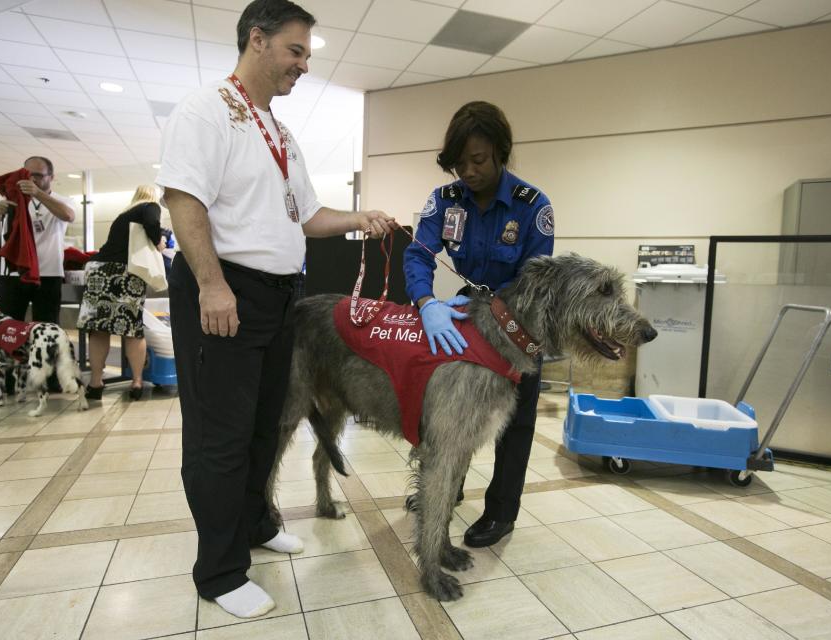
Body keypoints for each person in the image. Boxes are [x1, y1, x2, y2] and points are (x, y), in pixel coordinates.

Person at [155, 0, 396, 620]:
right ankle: (219, 570)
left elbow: (307, 216)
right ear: (256, 40)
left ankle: (258, 523)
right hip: (225, 293)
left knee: (268, 424)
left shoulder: (277, 130)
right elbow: (185, 203)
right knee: (221, 435)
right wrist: (211, 285)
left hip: (279, 298)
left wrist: (359, 218)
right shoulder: (205, 112)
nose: (303, 66)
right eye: (296, 52)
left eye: (307, 56)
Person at [403, 101, 555, 548]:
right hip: (467, 318)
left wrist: (496, 319)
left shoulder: (532, 206)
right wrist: (427, 301)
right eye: (459, 163)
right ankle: (446, 489)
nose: (467, 171)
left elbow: (534, 282)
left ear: (501, 152)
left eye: (478, 160)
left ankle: (501, 512)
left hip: (518, 327)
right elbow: (419, 254)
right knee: (454, 412)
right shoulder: (445, 200)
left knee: (515, 422)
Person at [0, 156, 77, 402]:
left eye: (38, 176)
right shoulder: (10, 197)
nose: (31, 180)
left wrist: (37, 194)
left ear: (51, 177)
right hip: (14, 273)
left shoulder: (60, 200)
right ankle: (3, 382)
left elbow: (68, 215)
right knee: (6, 329)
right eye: (27, 174)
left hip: (48, 274)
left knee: (48, 328)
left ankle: (50, 378)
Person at [77, 185, 161, 402]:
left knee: (99, 329)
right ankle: (137, 381)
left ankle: (96, 383)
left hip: (99, 271)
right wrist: (159, 242)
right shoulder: (149, 206)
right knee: (132, 329)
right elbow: (153, 223)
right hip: (125, 273)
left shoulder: (124, 214)